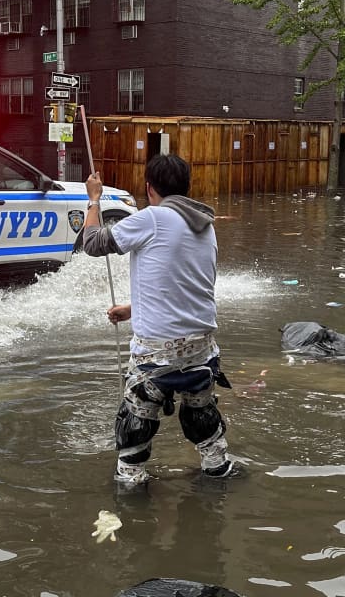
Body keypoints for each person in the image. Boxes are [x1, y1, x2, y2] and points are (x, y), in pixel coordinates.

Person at [82, 154, 238, 485]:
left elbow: (93, 244)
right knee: (202, 417)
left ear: (149, 189)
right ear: (187, 187)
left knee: (135, 422)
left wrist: (93, 200)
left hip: (157, 353)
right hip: (203, 350)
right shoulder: (204, 224)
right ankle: (218, 469)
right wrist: (133, 309)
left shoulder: (152, 218)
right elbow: (184, 286)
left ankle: (132, 486)